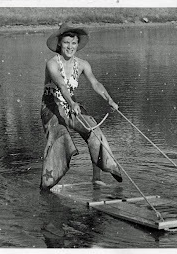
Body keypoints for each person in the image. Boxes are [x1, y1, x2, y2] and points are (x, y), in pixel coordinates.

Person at [40, 22, 122, 190]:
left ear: (78, 45)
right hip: (51, 107)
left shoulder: (83, 64)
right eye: (66, 42)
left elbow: (96, 83)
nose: (70, 47)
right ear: (59, 44)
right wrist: (71, 102)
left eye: (74, 43)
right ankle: (50, 182)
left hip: (72, 106)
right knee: (61, 136)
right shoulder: (52, 64)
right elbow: (62, 86)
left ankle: (96, 178)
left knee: (94, 132)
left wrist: (110, 100)